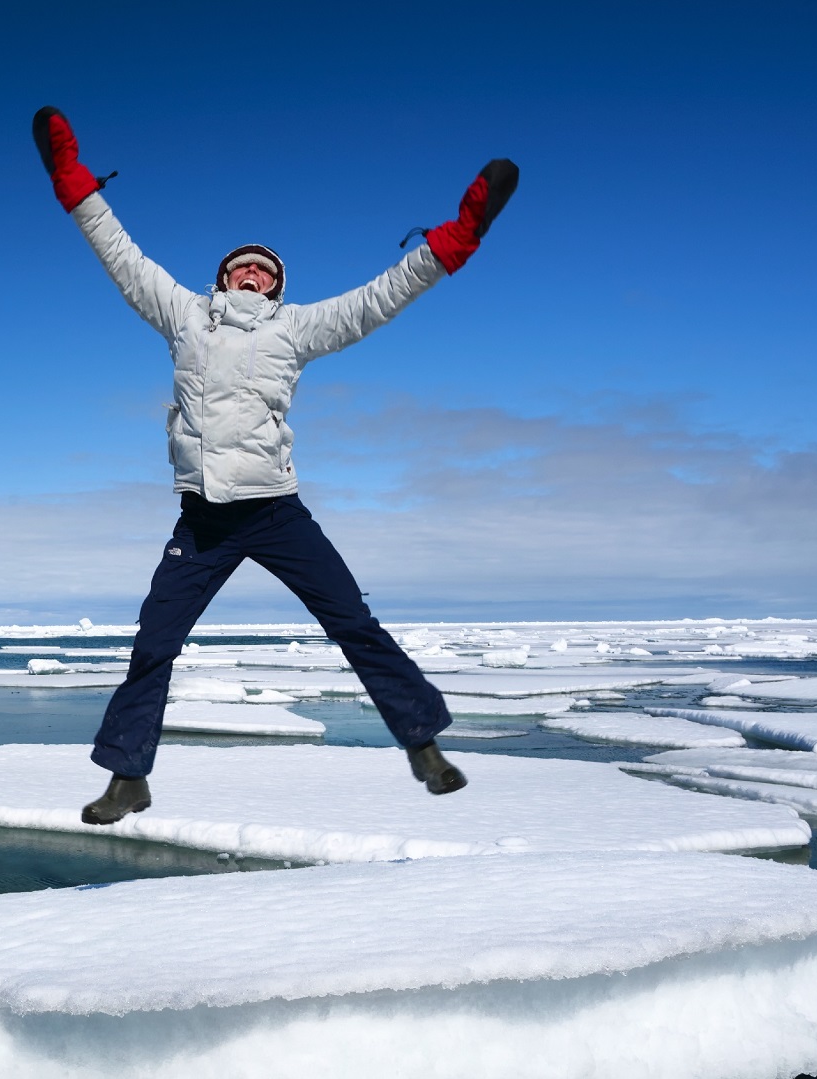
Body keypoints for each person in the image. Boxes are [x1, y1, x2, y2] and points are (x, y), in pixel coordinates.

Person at [30, 106, 518, 826]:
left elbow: (381, 297)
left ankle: (424, 745)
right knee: (153, 643)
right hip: (202, 520)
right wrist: (72, 183)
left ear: (276, 287)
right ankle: (127, 776)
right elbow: (121, 253)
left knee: (353, 621)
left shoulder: (298, 327)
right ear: (222, 278)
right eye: (240, 266)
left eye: (264, 270)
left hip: (275, 510)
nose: (252, 273)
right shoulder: (185, 315)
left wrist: (457, 237)